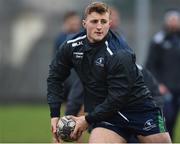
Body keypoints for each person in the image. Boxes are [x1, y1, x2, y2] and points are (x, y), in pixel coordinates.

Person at [47, 2, 171, 143]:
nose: (99, 26)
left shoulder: (120, 53)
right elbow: (55, 77)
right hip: (108, 115)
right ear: (84, 23)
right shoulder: (71, 46)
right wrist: (55, 114)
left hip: (139, 108)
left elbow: (118, 97)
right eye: (94, 21)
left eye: (103, 22)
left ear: (109, 24)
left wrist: (86, 120)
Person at [146, 9, 180, 140]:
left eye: (176, 20)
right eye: (171, 20)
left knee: (175, 120)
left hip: (178, 88)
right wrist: (158, 84)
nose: (173, 23)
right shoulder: (158, 40)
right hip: (165, 89)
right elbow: (150, 65)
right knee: (166, 120)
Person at [54, 11, 84, 116]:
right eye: (72, 21)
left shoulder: (83, 36)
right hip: (66, 77)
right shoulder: (61, 38)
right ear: (67, 22)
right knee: (67, 105)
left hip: (79, 76)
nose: (75, 23)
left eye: (76, 20)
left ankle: (78, 127)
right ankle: (67, 125)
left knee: (80, 104)